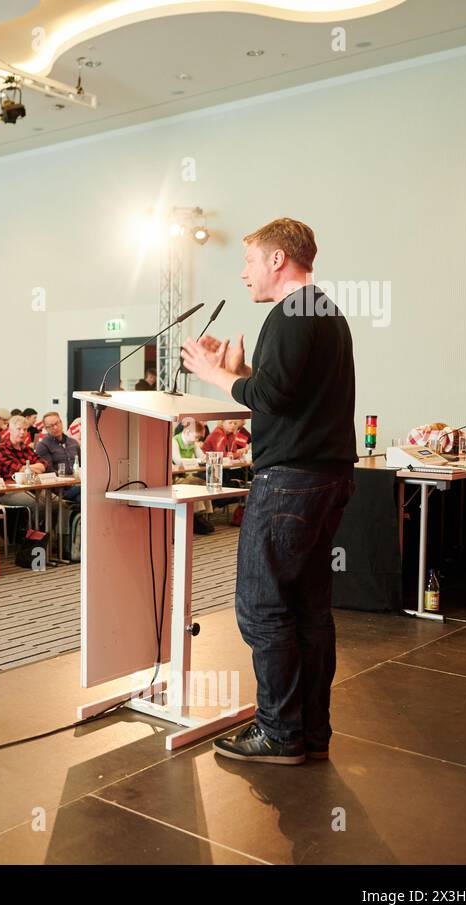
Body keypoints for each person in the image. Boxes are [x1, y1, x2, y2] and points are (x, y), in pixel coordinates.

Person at [181, 216, 356, 765]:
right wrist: (246, 373)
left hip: (290, 482)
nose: (244, 273)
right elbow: (283, 389)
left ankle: (279, 734)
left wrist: (215, 373)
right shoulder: (323, 310)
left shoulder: (290, 312)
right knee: (308, 611)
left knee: (262, 609)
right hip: (326, 474)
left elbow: (273, 397)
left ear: (278, 260)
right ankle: (310, 732)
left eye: (250, 260)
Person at [0, 415, 41, 525]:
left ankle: (48, 534)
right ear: (10, 430)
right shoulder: (2, 449)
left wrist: (27, 467)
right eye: (19, 429)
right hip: (8, 492)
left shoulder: (27, 448)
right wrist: (30, 467)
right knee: (39, 505)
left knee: (57, 503)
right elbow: (19, 469)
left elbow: (43, 465)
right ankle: (32, 535)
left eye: (25, 429)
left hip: (32, 487)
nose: (22, 432)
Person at [36, 412, 81, 505]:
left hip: (77, 484)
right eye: (51, 426)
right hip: (59, 490)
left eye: (57, 423)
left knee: (89, 496)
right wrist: (70, 480)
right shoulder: (43, 445)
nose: (55, 427)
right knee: (86, 496)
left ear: (61, 422)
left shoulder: (73, 442)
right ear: (45, 428)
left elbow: (81, 465)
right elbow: (49, 471)